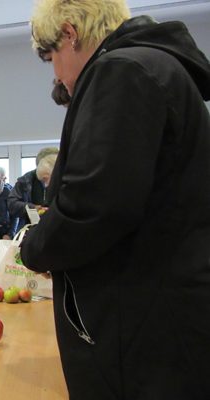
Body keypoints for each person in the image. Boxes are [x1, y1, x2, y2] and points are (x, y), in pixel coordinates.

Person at [21, 0, 210, 399]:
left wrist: (33, 248)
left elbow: (93, 205)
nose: (57, 73)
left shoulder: (120, 70)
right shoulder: (156, 67)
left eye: (52, 56)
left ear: (69, 33)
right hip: (165, 312)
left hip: (140, 328)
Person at [8, 148, 58, 228]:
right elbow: (12, 204)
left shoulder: (67, 181)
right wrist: (33, 208)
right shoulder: (25, 181)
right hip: (32, 229)